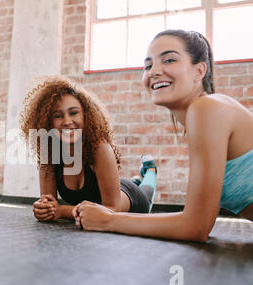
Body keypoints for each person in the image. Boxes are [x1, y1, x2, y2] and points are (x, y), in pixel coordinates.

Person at [73, 30, 253, 242]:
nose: (154, 71)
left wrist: (109, 220)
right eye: (148, 65)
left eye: (169, 60)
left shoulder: (207, 108)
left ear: (199, 70)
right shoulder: (205, 113)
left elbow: (196, 226)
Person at [20, 76, 158, 222]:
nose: (67, 121)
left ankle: (150, 170)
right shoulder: (50, 153)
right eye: (58, 116)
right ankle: (136, 180)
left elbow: (113, 209)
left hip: (132, 200)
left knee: (146, 191)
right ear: (48, 122)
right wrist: (42, 209)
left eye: (73, 113)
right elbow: (49, 205)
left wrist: (61, 210)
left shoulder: (99, 148)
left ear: (86, 115)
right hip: (113, 191)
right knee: (124, 184)